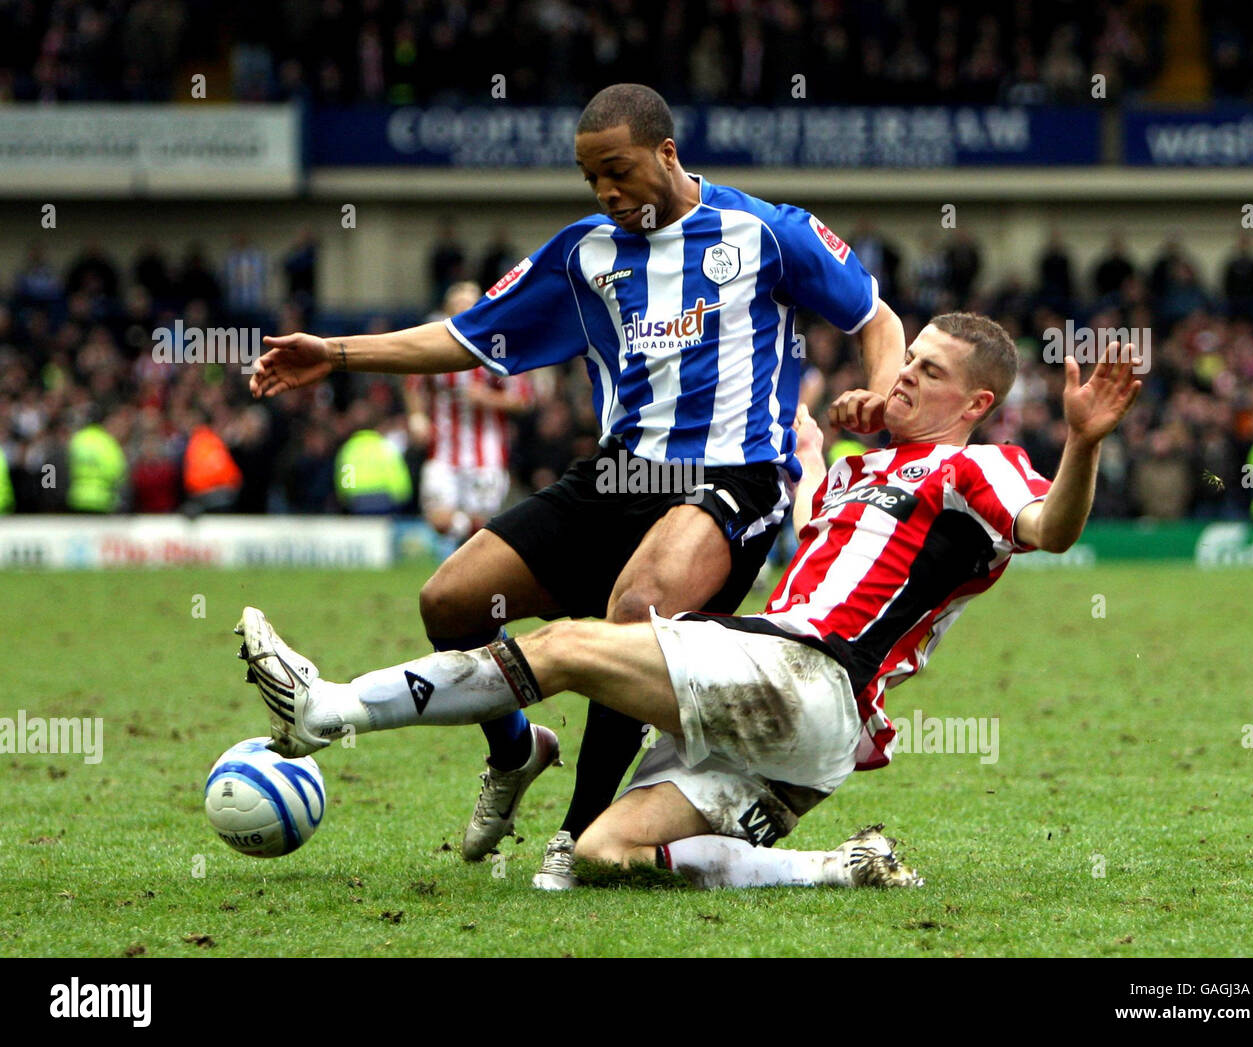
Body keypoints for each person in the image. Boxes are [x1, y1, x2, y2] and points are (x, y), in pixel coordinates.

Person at [248, 83, 905, 889]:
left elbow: (875, 318)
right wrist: (336, 353)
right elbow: (465, 338)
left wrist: (883, 397)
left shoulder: (765, 231)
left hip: (736, 477)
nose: (607, 192)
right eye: (591, 177)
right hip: (616, 475)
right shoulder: (584, 251)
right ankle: (517, 749)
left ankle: (575, 832)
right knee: (451, 604)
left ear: (667, 153)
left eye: (618, 171)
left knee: (634, 614)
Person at [237, 314, 1142, 889]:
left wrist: (1083, 444)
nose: (904, 374)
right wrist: (813, 427)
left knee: (562, 647)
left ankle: (330, 708)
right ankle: (840, 867)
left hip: (808, 673)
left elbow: (1050, 528)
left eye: (930, 371)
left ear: (976, 400)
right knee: (603, 853)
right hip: (805, 732)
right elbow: (805, 470)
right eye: (907, 359)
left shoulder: (977, 465)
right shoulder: (862, 475)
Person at [403, 282, 533, 550]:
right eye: (457, 305)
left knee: (479, 530)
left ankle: (470, 573)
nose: (463, 309)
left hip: (486, 452)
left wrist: (487, 398)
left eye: (469, 304)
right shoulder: (435, 345)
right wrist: (417, 417)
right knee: (439, 520)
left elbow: (523, 399)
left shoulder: (499, 345)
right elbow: (413, 382)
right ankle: (478, 534)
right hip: (443, 450)